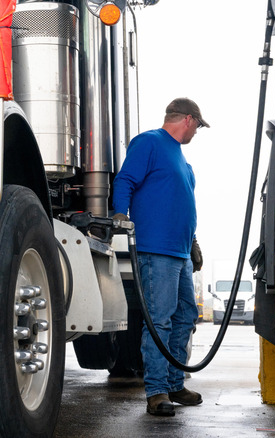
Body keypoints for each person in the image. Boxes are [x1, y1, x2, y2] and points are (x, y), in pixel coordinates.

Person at [111, 97, 206, 417]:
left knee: (185, 317)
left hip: (179, 253)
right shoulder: (150, 142)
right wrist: (120, 214)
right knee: (160, 319)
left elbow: (182, 205)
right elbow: (125, 179)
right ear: (189, 120)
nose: (196, 133)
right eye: (197, 127)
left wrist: (192, 241)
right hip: (156, 251)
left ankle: (175, 383)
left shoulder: (184, 163)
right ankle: (156, 391)